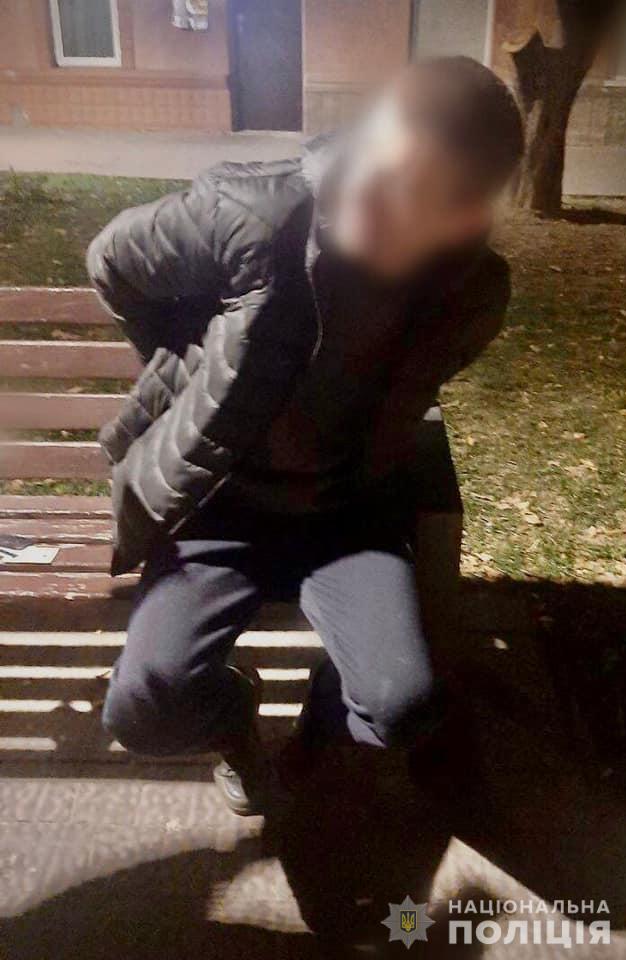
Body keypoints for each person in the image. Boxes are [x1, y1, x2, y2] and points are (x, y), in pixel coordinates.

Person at [87, 57, 524, 816]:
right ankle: (235, 722)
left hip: (345, 516)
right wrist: (185, 362)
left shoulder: (470, 292)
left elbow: (419, 385)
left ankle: (317, 735)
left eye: (421, 195)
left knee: (400, 707)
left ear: (464, 215)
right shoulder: (250, 215)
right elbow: (112, 263)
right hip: (221, 507)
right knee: (145, 709)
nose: (378, 198)